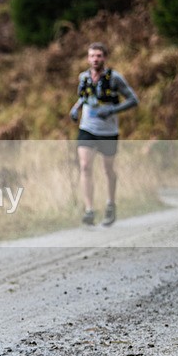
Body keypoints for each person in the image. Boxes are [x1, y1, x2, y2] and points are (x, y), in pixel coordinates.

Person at [69, 42, 138, 226]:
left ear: (105, 58)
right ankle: (89, 210)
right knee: (85, 166)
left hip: (108, 131)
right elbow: (83, 98)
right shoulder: (83, 77)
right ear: (88, 58)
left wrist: (113, 110)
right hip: (87, 128)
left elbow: (133, 100)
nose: (95, 59)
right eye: (92, 56)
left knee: (108, 169)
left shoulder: (115, 78)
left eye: (98, 56)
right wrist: (75, 109)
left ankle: (110, 204)